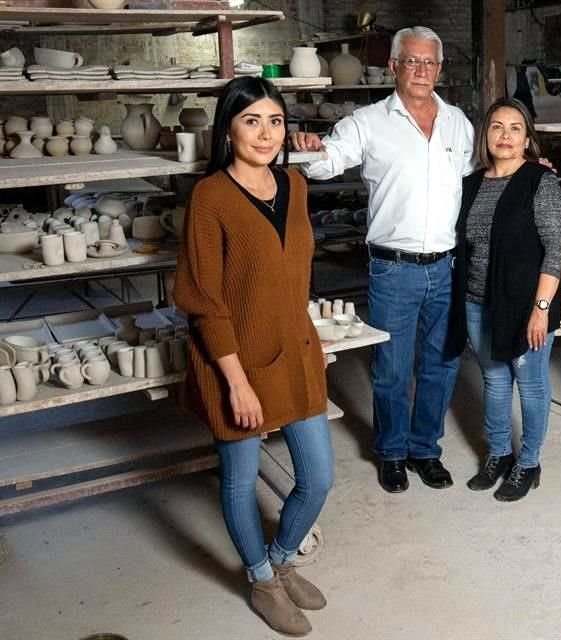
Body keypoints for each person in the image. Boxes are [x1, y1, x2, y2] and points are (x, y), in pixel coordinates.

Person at [174, 77, 333, 637]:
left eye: (275, 121)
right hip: (234, 361)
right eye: (251, 121)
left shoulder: (295, 184)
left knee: (318, 476)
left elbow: (295, 275)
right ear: (227, 130)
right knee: (241, 479)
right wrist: (236, 382)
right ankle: (262, 580)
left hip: (295, 348)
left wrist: (311, 337)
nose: (266, 134)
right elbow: (205, 302)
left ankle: (282, 559)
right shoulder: (210, 197)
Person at [291, 26, 474, 494]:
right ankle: (392, 451)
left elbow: (475, 182)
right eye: (412, 61)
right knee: (392, 367)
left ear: (439, 68)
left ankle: (425, 449)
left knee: (441, 364)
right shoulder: (367, 122)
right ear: (393, 66)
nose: (421, 71)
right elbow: (329, 161)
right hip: (393, 268)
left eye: (429, 62)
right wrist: (311, 149)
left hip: (447, 265)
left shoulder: (458, 123)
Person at [446, 97, 561, 502]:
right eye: (497, 127)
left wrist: (541, 311)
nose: (506, 136)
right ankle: (498, 454)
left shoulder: (540, 181)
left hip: (527, 305)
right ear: (485, 135)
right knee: (495, 379)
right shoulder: (471, 184)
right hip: (477, 301)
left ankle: (528, 463)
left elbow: (554, 250)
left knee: (530, 384)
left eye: (516, 128)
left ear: (527, 138)